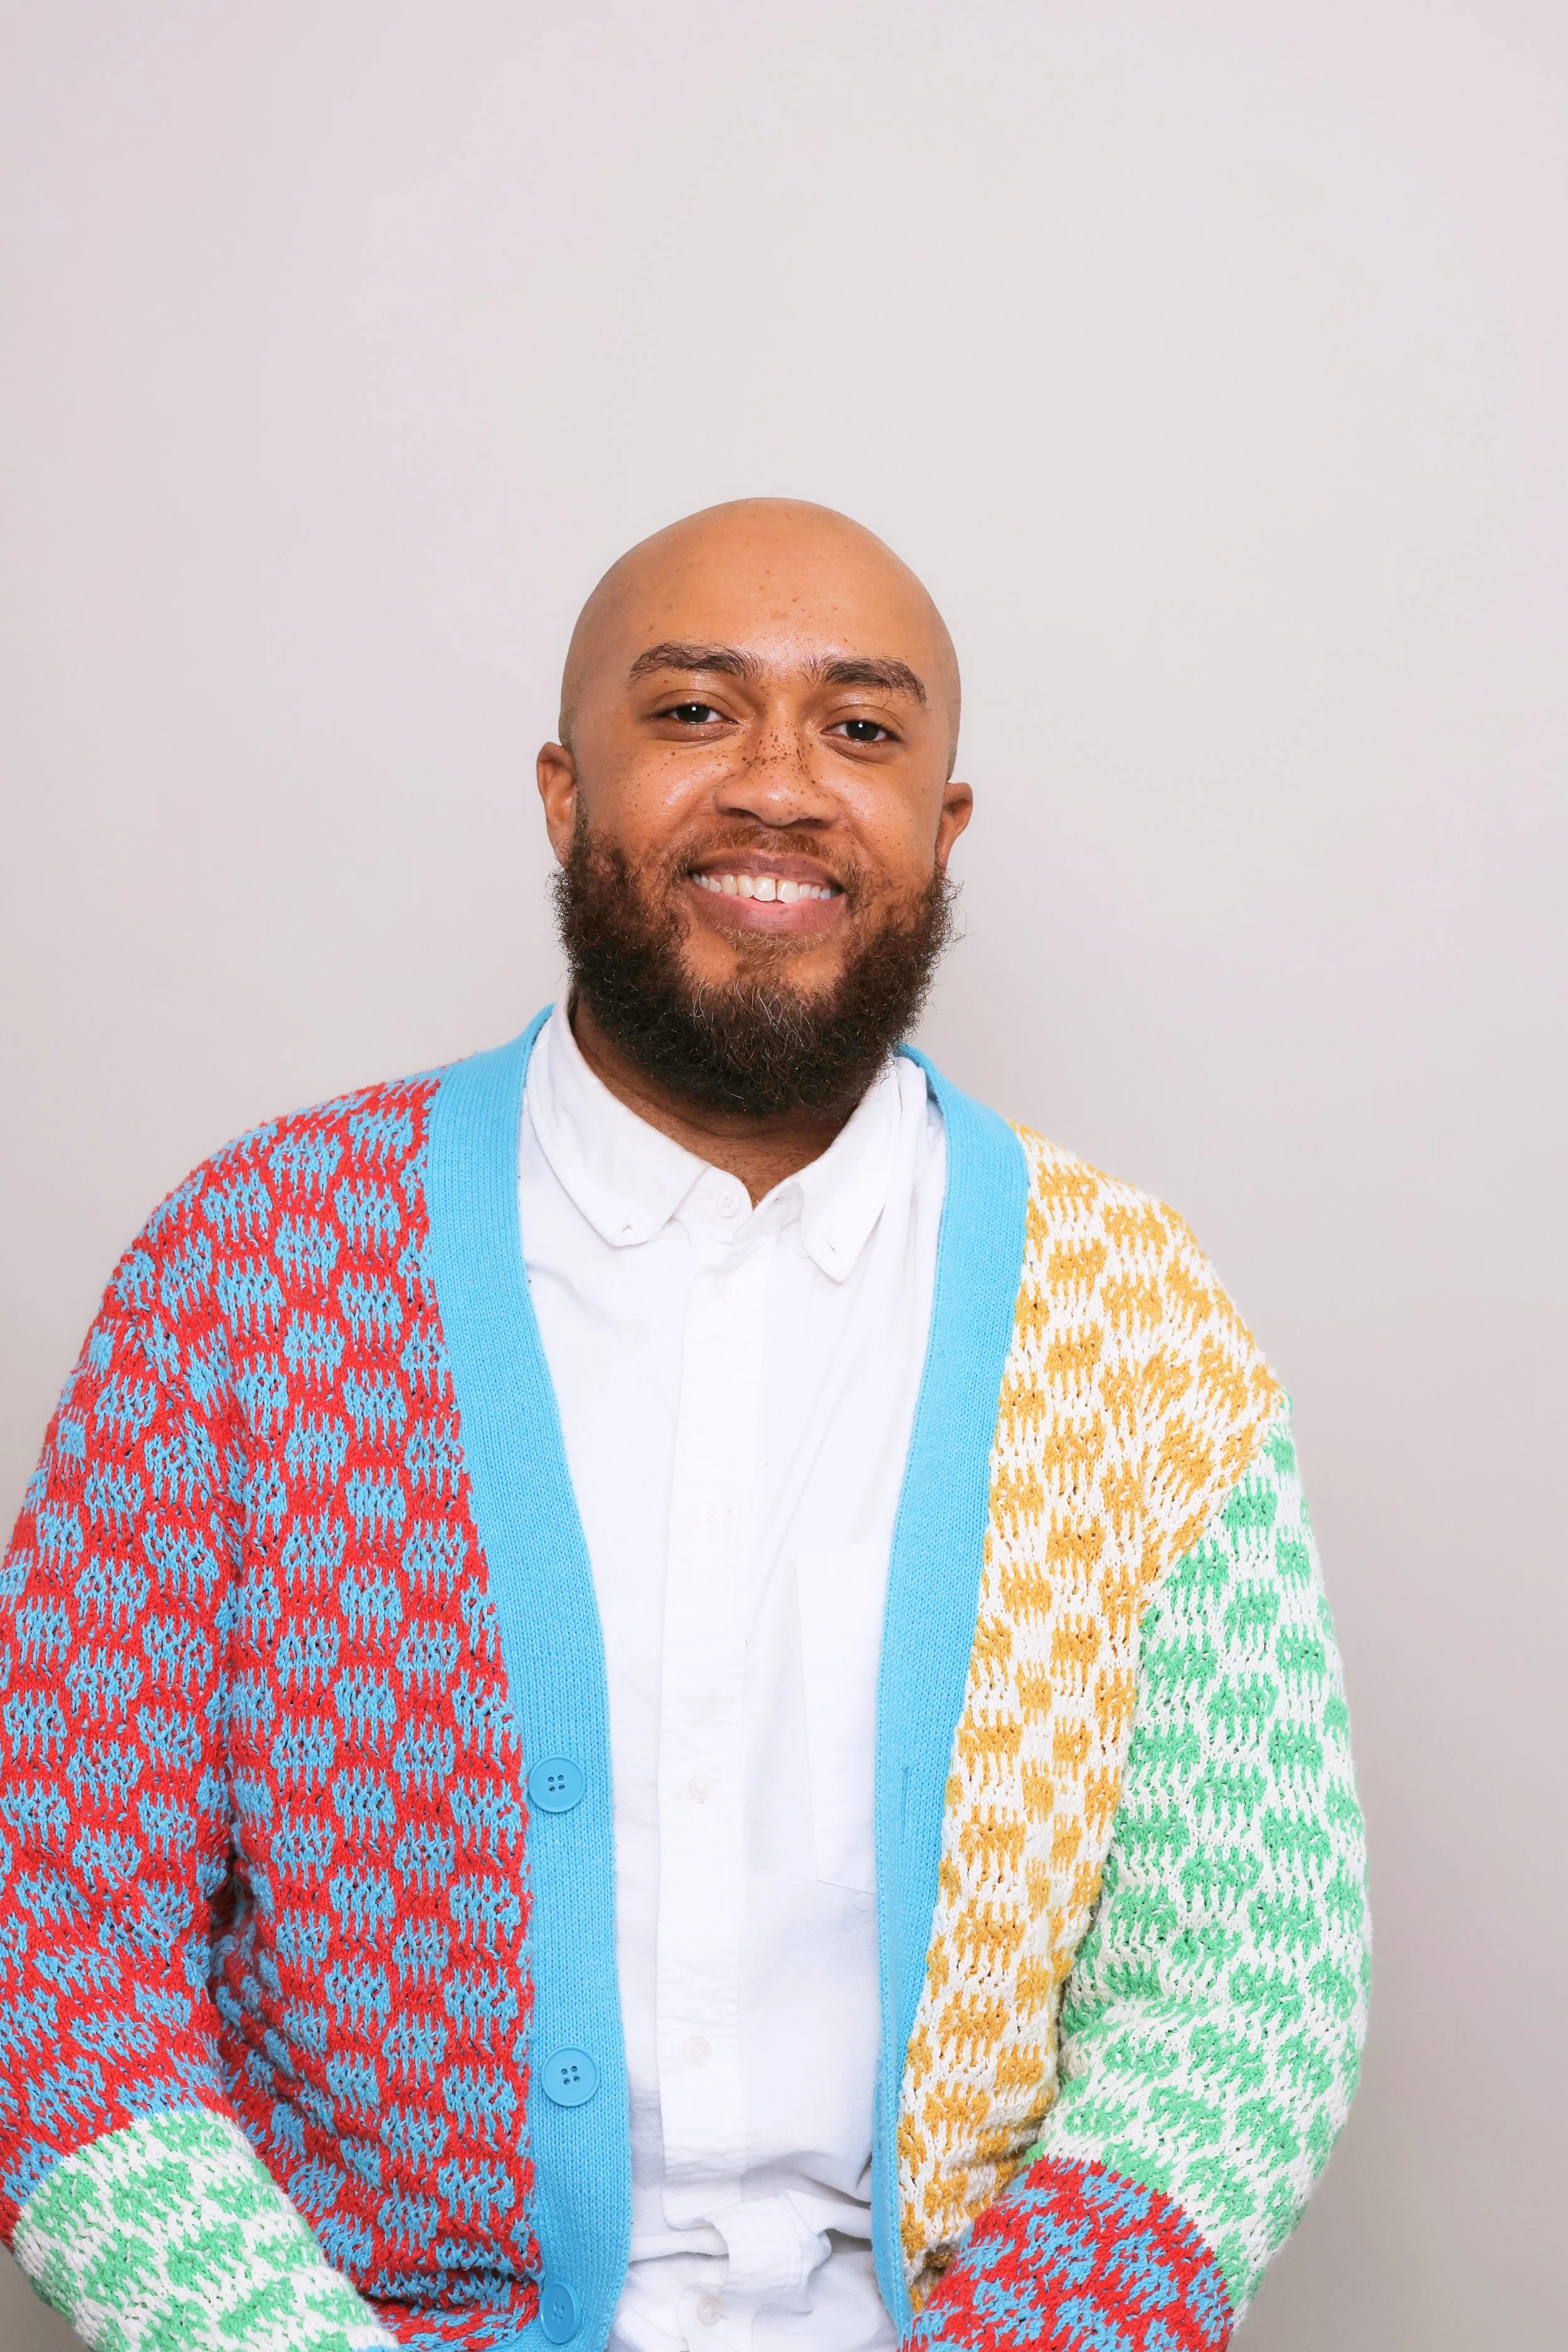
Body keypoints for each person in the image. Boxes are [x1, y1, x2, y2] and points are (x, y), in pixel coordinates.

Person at [0, 501, 1367, 2352]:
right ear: (564, 791)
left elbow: (1245, 1985)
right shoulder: (250, 1270)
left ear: (943, 826)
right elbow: (52, 1947)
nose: (780, 786)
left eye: (861, 728)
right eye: (696, 711)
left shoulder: (1137, 1322)